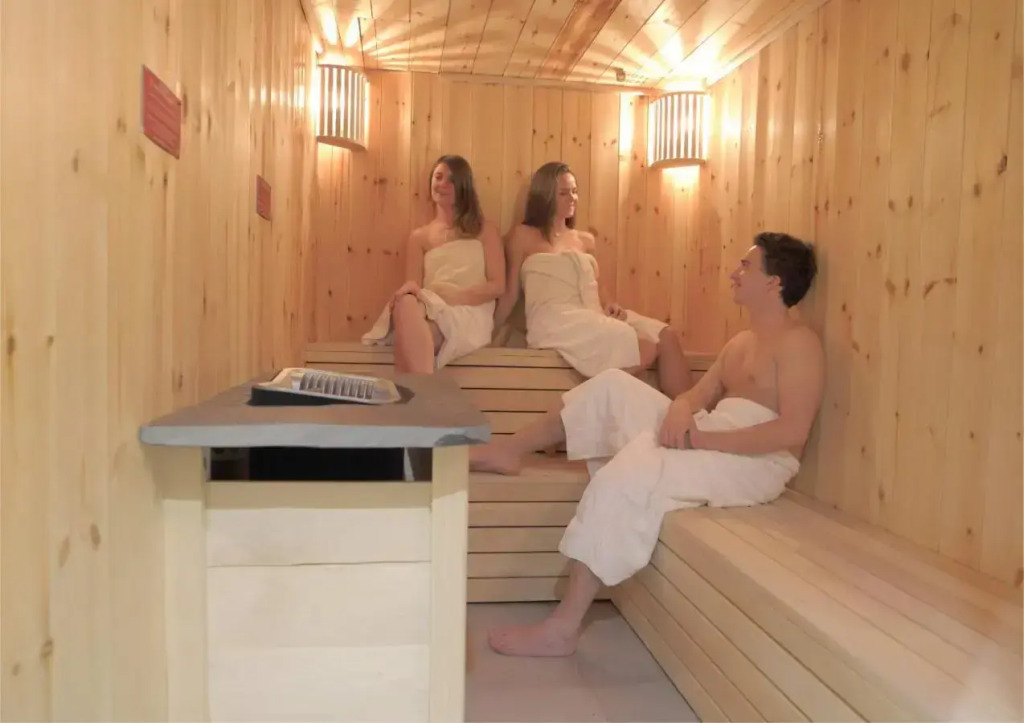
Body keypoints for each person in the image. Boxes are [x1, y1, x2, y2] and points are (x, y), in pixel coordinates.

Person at [471, 232, 824, 657]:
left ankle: (563, 628)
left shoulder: (799, 344)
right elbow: (697, 395)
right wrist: (681, 408)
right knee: (612, 386)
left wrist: (704, 438)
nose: (735, 273)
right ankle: (511, 449)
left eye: (746, 266)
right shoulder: (740, 343)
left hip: (757, 462)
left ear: (774, 282)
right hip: (710, 434)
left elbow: (792, 432)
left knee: (633, 468)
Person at [493, 162, 667, 379]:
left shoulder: (585, 240)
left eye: (574, 191)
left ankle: (689, 408)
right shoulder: (522, 236)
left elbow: (600, 288)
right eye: (564, 193)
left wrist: (611, 304)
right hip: (553, 321)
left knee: (661, 338)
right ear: (544, 196)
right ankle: (600, 389)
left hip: (590, 314)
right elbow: (510, 295)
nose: (572, 198)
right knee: (644, 346)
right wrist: (488, 333)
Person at [363, 155, 505, 373]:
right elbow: (414, 286)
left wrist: (453, 297)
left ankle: (417, 390)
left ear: (463, 186)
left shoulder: (485, 230)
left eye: (451, 180)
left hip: (470, 310)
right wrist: (407, 295)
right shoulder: (419, 237)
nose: (442, 184)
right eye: (438, 177)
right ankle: (424, 389)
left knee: (413, 339)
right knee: (406, 302)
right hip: (431, 307)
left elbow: (497, 285)